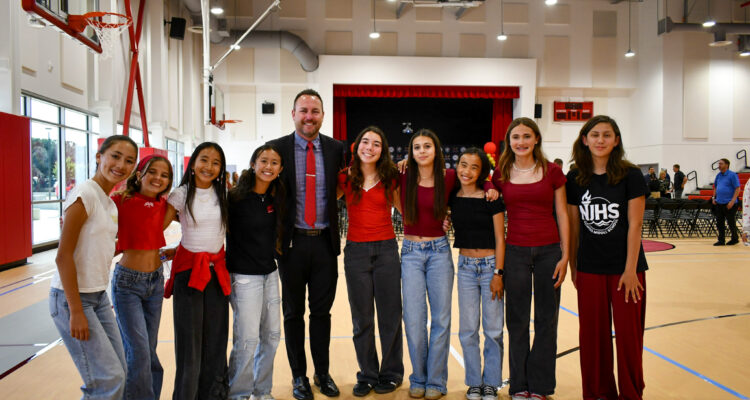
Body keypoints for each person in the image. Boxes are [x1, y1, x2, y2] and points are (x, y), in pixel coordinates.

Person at [399, 129, 497, 400]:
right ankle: (418, 377)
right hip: (410, 252)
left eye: (427, 146)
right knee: (414, 319)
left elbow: (476, 181)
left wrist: (489, 187)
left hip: (439, 251)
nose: (421, 151)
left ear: (436, 150)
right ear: (411, 152)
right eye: (416, 147)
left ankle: (436, 382)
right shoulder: (403, 174)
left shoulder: (450, 177)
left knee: (441, 320)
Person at [267, 89, 345, 400]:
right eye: (303, 110)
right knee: (292, 314)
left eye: (315, 111)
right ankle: (298, 376)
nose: (309, 116)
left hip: (325, 243)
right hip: (292, 245)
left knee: (322, 314)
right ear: (293, 114)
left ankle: (322, 374)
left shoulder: (337, 149)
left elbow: (367, 170)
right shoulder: (276, 149)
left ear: (323, 115)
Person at [566, 115, 649, 400]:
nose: (600, 140)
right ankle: (598, 393)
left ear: (616, 141)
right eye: (595, 135)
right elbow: (575, 227)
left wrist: (629, 270)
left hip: (626, 270)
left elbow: (635, 225)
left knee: (629, 338)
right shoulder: (575, 177)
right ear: (585, 140)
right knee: (593, 338)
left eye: (607, 135)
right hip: (590, 269)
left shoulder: (631, 175)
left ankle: (630, 393)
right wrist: (575, 268)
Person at [50, 135, 138, 399]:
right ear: (99, 157)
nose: (121, 164)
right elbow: (63, 256)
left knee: (119, 372)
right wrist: (75, 310)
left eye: (129, 160)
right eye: (115, 156)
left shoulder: (108, 202)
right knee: (107, 379)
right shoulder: (84, 194)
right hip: (72, 300)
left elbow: (99, 247)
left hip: (98, 297)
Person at [491, 117, 569, 400]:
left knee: (547, 320)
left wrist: (566, 255)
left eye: (526, 136)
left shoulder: (552, 171)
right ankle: (519, 384)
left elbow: (562, 214)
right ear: (509, 142)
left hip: (549, 251)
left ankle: (542, 386)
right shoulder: (500, 173)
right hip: (515, 252)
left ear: (536, 139)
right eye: (515, 137)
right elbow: (489, 194)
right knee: (517, 320)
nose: (521, 142)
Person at [337, 126, 403, 397]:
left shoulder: (391, 177)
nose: (370, 147)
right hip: (356, 253)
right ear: (357, 145)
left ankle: (391, 374)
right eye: (365, 141)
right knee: (361, 318)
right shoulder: (344, 177)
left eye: (376, 143)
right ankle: (366, 374)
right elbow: (324, 203)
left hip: (387, 251)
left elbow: (406, 211)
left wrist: (440, 220)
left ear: (382, 150)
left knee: (390, 316)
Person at [164, 142, 231, 399]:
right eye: (204, 160)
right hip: (189, 273)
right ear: (192, 164)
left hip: (217, 272)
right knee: (189, 343)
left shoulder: (223, 193)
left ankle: (214, 394)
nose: (209, 166)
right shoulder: (181, 194)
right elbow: (158, 225)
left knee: (216, 339)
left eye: (216, 162)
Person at [111, 154, 173, 400]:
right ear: (140, 174)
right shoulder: (120, 200)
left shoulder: (166, 205)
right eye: (152, 171)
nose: (158, 178)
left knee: (149, 349)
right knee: (138, 352)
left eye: (165, 175)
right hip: (127, 284)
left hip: (155, 283)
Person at [226, 145, 286, 400]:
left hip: (270, 274)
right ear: (253, 163)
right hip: (244, 277)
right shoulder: (234, 198)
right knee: (248, 340)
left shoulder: (277, 198)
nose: (268, 166)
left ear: (280, 169)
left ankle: (262, 391)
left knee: (272, 337)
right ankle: (239, 393)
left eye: (274, 163)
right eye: (264, 161)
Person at [450, 148, 506, 400]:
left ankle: (491, 383)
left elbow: (500, 238)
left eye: (474, 167)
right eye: (463, 165)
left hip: (490, 266)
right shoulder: (453, 196)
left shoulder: (491, 197)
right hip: (465, 268)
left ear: (482, 172)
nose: (467, 171)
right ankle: (474, 382)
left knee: (493, 329)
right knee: (468, 329)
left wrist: (498, 273)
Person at [712, 158, 741, 246]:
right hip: (719, 202)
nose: (719, 165)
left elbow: (737, 188)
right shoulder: (719, 175)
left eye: (721, 164)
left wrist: (732, 201)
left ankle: (735, 238)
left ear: (726, 165)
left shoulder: (732, 175)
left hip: (729, 203)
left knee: (731, 222)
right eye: (719, 164)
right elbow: (715, 187)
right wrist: (714, 197)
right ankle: (721, 240)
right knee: (719, 222)